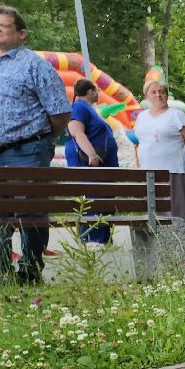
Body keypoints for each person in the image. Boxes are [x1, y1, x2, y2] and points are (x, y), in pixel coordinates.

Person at [0, 6, 69, 283]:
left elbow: (60, 112)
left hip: (28, 150)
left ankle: (30, 270)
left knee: (30, 211)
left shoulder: (35, 65)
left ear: (22, 33)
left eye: (3, 25)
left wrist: (41, 140)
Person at [65, 78, 119, 246]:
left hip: (101, 166)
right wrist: (91, 154)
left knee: (100, 197)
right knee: (93, 197)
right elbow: (76, 131)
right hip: (90, 165)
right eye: (96, 90)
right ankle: (92, 239)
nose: (98, 94)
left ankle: (102, 238)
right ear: (89, 91)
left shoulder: (88, 108)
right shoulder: (79, 107)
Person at [133, 80, 185, 183]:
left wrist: (175, 153)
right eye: (153, 92)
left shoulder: (177, 115)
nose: (158, 95)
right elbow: (140, 142)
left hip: (175, 171)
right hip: (147, 171)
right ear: (147, 96)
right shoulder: (141, 116)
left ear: (167, 95)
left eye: (162, 92)